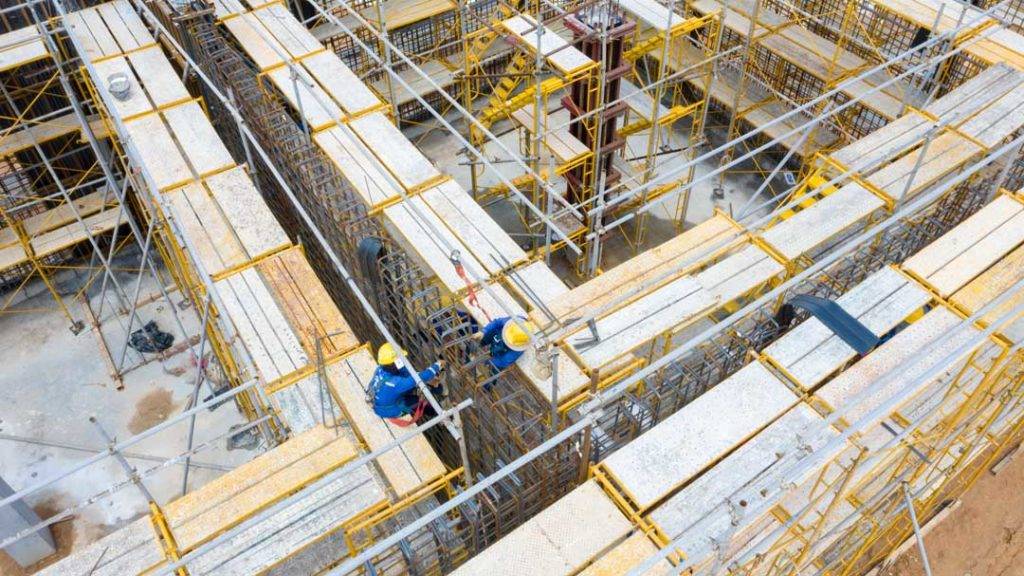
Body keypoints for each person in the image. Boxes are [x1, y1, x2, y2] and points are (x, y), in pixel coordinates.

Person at [369, 343, 444, 420]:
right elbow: (419, 378)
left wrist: (419, 376)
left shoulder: (382, 367)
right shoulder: (394, 383)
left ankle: (428, 390)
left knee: (410, 380)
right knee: (420, 402)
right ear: (394, 362)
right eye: (400, 359)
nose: (402, 360)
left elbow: (406, 372)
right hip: (388, 409)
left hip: (384, 397)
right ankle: (440, 414)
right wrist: (438, 365)